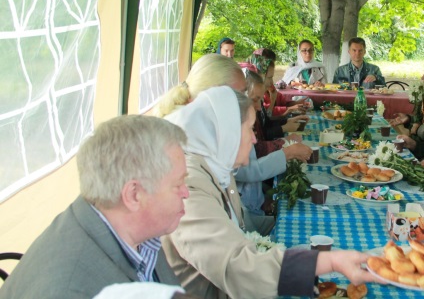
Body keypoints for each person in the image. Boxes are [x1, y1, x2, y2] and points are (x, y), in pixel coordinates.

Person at [162, 86, 382, 299]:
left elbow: (243, 227)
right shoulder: (188, 188)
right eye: (249, 129)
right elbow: (238, 268)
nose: (255, 139)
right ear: (226, 132)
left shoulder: (218, 167)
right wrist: (329, 262)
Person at [0, 116, 189, 299]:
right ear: (133, 195)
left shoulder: (138, 232)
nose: (186, 192)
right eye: (178, 184)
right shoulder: (69, 290)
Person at [236, 70, 313, 234]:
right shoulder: (233, 128)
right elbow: (248, 171)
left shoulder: (244, 118)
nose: (259, 106)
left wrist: (267, 195)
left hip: (254, 205)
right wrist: (287, 152)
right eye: (255, 100)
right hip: (247, 214)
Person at [153, 53, 245, 118]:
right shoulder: (191, 131)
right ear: (212, 93)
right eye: (238, 97)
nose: (246, 103)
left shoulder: (191, 118)